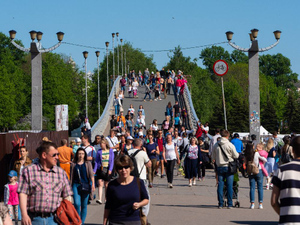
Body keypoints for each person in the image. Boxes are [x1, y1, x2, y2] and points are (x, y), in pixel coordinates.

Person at [18, 141, 73, 225]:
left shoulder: (61, 173)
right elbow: (22, 193)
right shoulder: (29, 171)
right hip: (33, 219)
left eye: (57, 154)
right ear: (44, 155)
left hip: (54, 220)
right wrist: (24, 215)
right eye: (54, 155)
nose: (57, 157)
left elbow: (67, 196)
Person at [103, 155, 149, 225]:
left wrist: (139, 204)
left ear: (130, 168)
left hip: (134, 220)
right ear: (117, 170)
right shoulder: (112, 185)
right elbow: (108, 206)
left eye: (126, 167)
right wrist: (104, 222)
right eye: (120, 168)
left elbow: (146, 199)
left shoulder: (138, 182)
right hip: (116, 221)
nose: (123, 170)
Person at [271, 136, 300, 224]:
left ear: (292, 150)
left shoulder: (282, 170)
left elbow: (273, 202)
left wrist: (284, 214)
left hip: (288, 220)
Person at [211, 130, 239, 208]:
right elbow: (236, 156)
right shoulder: (230, 145)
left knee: (220, 185)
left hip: (219, 166)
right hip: (229, 167)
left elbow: (213, 157)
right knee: (229, 186)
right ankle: (230, 204)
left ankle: (220, 203)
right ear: (228, 136)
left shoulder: (216, 145)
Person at [70, 148, 95, 224]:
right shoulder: (73, 164)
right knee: (77, 204)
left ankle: (81, 222)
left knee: (84, 205)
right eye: (79, 154)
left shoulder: (88, 164)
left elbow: (91, 175)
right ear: (77, 155)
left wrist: (93, 184)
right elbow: (71, 176)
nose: (81, 155)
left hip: (86, 185)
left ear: (84, 155)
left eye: (82, 154)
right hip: (75, 185)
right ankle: (78, 220)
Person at [244, 143, 267, 209]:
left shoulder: (246, 154)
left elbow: (245, 162)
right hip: (258, 170)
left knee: (252, 187)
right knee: (260, 187)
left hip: (250, 171)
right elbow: (265, 160)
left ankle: (252, 203)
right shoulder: (256, 153)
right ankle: (260, 203)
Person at [94, 139, 114, 205]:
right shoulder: (99, 152)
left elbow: (112, 161)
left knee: (106, 185)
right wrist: (95, 170)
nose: (101, 145)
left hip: (107, 168)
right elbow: (96, 161)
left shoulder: (110, 151)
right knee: (100, 183)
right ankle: (99, 199)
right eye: (100, 144)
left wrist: (110, 169)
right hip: (101, 169)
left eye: (102, 143)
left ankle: (106, 199)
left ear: (105, 144)